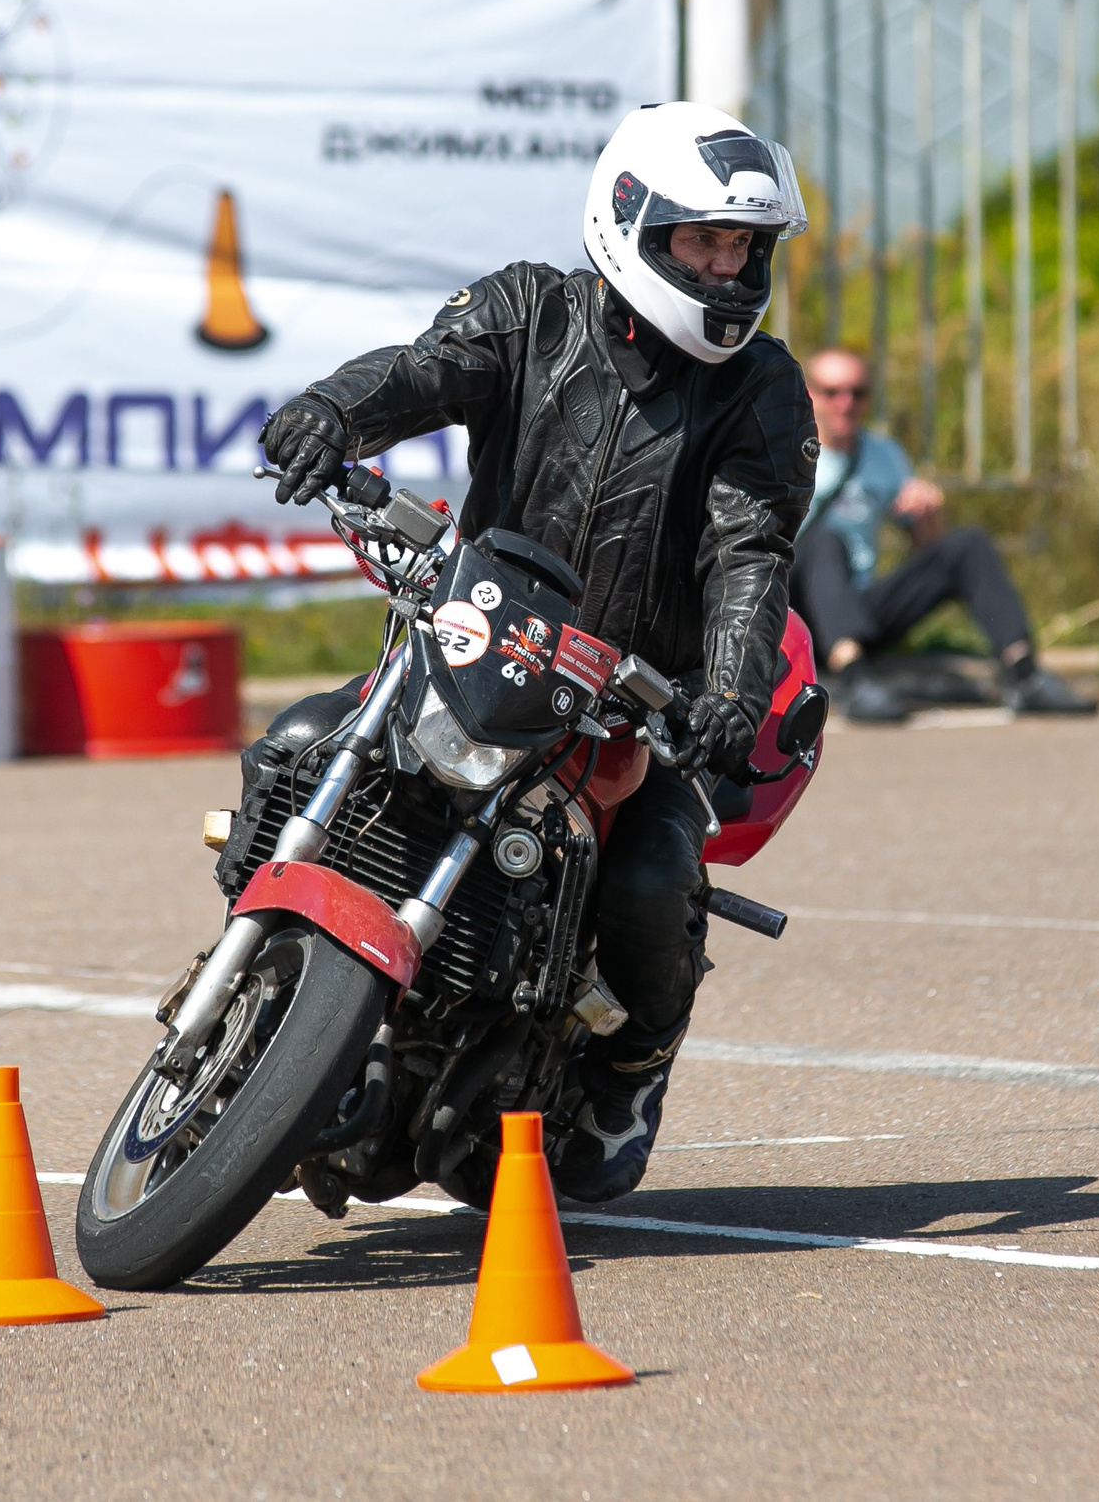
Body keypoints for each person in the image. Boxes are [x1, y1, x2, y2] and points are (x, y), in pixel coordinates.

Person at [258, 101, 817, 1204]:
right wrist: (334, 409)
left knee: (656, 873)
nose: (725, 269)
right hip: (472, 645)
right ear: (631, 226)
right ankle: (272, 993)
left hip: (620, 706)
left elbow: (750, 553)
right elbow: (423, 373)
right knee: (294, 746)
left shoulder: (758, 388)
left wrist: (727, 697)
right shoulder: (529, 311)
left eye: (741, 247)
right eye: (701, 242)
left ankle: (627, 1072)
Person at [792, 348, 1098, 723]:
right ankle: (853, 681)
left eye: (858, 393)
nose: (846, 404)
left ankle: (1024, 673)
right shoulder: (785, 450)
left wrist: (927, 515)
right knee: (826, 540)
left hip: (855, 608)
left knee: (967, 545)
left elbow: (927, 549)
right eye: (833, 392)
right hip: (791, 609)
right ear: (809, 394)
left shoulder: (882, 455)